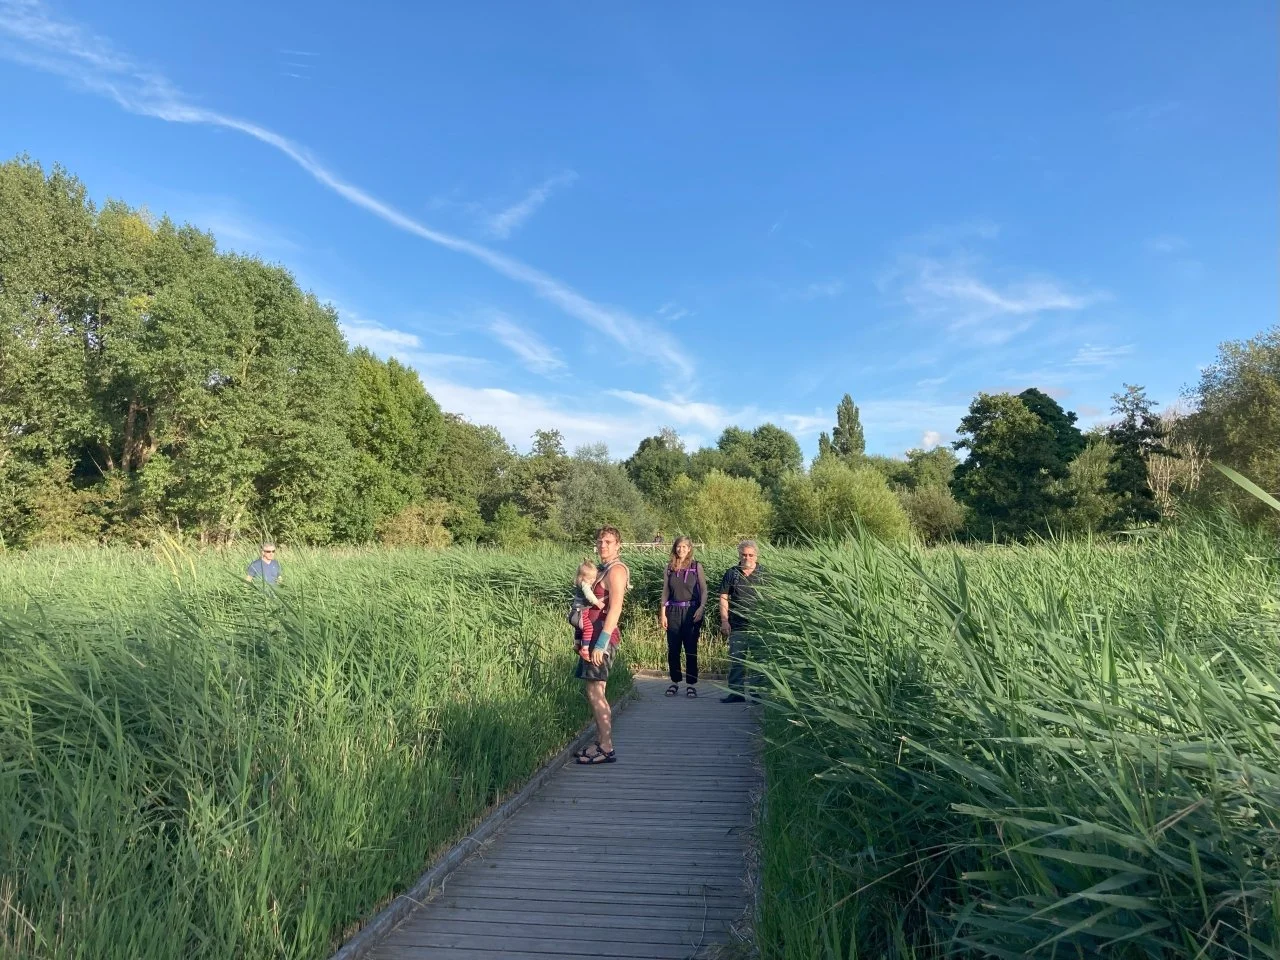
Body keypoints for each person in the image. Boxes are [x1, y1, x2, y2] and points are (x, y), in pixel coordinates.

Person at [575, 526, 629, 765]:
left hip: (601, 639)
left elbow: (615, 607)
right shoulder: (602, 569)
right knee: (597, 691)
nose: (603, 545)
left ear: (618, 545)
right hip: (592, 636)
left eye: (608, 542)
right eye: (600, 541)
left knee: (595, 691)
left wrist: (601, 644)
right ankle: (600, 740)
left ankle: (607, 747)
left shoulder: (616, 570)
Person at [719, 539, 765, 703]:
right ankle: (736, 693)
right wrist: (725, 621)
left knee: (760, 662)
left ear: (756, 555)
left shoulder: (764, 574)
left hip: (759, 626)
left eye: (750, 555)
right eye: (744, 555)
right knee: (737, 660)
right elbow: (724, 597)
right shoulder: (732, 573)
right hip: (737, 624)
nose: (747, 558)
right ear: (739, 555)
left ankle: (757, 694)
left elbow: (772, 599)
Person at [660, 536, 706, 697]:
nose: (681, 550)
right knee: (673, 649)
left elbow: (704, 590)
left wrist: (701, 607)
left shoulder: (696, 566)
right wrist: (662, 613)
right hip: (673, 611)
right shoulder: (669, 568)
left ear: (689, 549)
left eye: (685, 547)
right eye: (679, 547)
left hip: (692, 611)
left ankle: (691, 684)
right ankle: (675, 682)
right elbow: (665, 591)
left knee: (691, 649)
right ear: (675, 548)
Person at [570, 559, 606, 662]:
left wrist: (599, 569)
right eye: (590, 578)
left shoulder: (579, 582)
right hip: (581, 612)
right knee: (588, 628)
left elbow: (592, 573)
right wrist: (597, 603)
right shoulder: (585, 585)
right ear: (582, 577)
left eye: (594, 578)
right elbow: (589, 595)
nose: (592, 580)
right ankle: (584, 649)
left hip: (574, 612)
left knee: (579, 629)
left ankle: (577, 644)